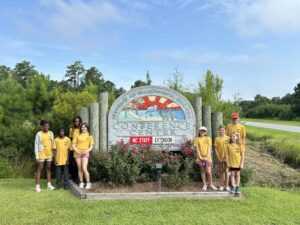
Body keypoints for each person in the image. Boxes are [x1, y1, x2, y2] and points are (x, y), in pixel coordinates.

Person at [194, 126, 217, 191]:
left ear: (206, 132)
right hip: (200, 158)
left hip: (208, 158)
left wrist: (207, 156)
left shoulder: (208, 138)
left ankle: (211, 184)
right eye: (201, 131)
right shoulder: (196, 139)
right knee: (202, 171)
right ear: (199, 131)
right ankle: (204, 185)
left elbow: (209, 148)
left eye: (204, 131)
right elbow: (197, 149)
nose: (202, 132)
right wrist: (200, 157)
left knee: (209, 172)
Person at [34, 120, 55, 192]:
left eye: (48, 125)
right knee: (39, 169)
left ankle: (49, 185)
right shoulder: (38, 134)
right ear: (42, 126)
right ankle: (37, 186)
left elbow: (53, 143)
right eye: (45, 125)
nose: (46, 127)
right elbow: (36, 145)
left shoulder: (51, 133)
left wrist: (53, 153)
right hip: (41, 153)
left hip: (49, 153)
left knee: (49, 168)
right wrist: (37, 156)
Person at [72, 123, 94, 190]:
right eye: (82, 127)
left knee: (84, 168)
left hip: (85, 153)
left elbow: (91, 146)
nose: (83, 128)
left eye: (84, 127)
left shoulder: (89, 136)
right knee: (79, 168)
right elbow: (73, 145)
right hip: (77, 153)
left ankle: (88, 183)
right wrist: (77, 151)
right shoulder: (77, 135)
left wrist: (87, 151)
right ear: (80, 128)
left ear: (87, 128)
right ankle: (81, 182)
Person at [214, 125, 230, 191]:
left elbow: (230, 148)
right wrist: (218, 158)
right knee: (221, 172)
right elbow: (215, 149)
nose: (222, 131)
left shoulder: (228, 138)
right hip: (220, 158)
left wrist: (228, 157)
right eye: (220, 130)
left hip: (227, 158)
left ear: (225, 131)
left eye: (223, 130)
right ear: (219, 131)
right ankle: (221, 185)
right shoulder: (217, 138)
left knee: (226, 171)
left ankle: (226, 185)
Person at [69, 116, 82, 181]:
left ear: (80, 122)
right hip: (72, 148)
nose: (76, 122)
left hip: (79, 148)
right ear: (73, 122)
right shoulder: (71, 129)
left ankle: (77, 177)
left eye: (78, 121)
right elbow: (70, 139)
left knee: (78, 163)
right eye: (75, 121)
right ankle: (73, 176)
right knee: (72, 163)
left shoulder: (81, 129)